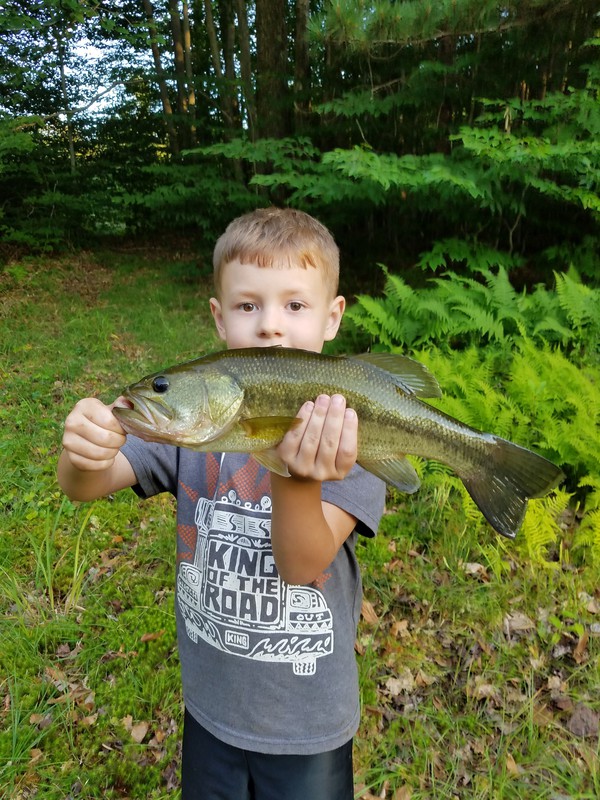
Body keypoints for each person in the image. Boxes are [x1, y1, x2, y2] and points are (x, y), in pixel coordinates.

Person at [58, 207, 386, 800]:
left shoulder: (348, 432)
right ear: (218, 317)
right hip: (211, 710)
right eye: (247, 305)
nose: (270, 326)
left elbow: (301, 565)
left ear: (333, 317)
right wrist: (84, 451)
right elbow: (85, 485)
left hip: (306, 726)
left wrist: (296, 474)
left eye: (295, 304)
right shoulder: (190, 435)